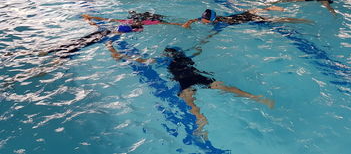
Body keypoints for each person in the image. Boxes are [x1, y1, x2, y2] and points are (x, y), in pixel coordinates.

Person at [106, 44, 274, 136]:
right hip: (197, 76)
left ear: (167, 55)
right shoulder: (186, 58)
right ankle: (256, 97)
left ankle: (201, 120)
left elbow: (142, 60)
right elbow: (199, 49)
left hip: (184, 82)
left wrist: (119, 54)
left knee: (190, 102)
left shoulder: (164, 60)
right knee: (226, 88)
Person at [181, 6, 311, 28]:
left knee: (274, 20)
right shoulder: (213, 18)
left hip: (247, 18)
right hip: (243, 15)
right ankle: (268, 8)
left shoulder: (218, 24)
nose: (203, 21)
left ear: (212, 20)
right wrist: (189, 22)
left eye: (205, 20)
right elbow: (198, 19)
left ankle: (300, 20)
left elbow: (212, 35)